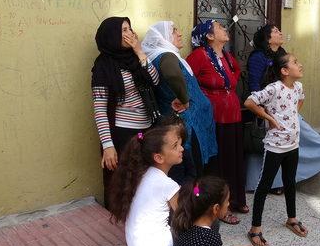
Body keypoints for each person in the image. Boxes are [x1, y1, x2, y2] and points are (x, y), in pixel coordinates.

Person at [245, 25, 320, 193]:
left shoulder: (282, 54)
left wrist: (292, 109)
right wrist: (264, 112)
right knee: (265, 149)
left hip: (284, 105)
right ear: (267, 38)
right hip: (266, 106)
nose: (280, 33)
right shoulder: (258, 57)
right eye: (276, 31)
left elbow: (292, 87)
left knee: (291, 139)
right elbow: (254, 84)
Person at [91, 16, 161, 208]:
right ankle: (118, 226)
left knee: (143, 180)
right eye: (123, 30)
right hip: (122, 134)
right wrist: (107, 145)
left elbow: (155, 81)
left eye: (129, 29)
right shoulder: (103, 66)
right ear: (111, 36)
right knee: (121, 183)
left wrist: (139, 52)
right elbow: (99, 109)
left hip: (145, 131)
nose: (129, 33)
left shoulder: (135, 57)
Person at [141, 21, 218, 185]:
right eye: (174, 31)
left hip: (188, 124)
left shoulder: (164, 55)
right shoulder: (166, 55)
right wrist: (184, 100)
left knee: (192, 172)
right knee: (192, 172)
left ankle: (192, 202)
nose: (179, 34)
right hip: (185, 126)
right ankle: (191, 204)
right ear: (163, 37)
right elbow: (172, 75)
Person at [244, 53, 308, 246]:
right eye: (296, 62)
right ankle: (255, 229)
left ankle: (292, 218)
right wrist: (270, 119)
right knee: (264, 185)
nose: (300, 64)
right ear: (284, 71)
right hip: (275, 145)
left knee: (290, 181)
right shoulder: (274, 88)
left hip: (293, 144)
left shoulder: (298, 87)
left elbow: (300, 100)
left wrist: (292, 116)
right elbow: (249, 102)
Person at [187, 20, 247, 224]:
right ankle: (218, 206)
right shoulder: (198, 56)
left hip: (233, 115)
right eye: (220, 27)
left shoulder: (228, 56)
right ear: (209, 36)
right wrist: (203, 98)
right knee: (218, 163)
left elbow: (236, 74)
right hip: (212, 118)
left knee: (233, 158)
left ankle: (235, 199)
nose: (225, 29)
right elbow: (187, 80)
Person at [108, 118, 184, 246]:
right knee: (206, 222)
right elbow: (186, 219)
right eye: (175, 146)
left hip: (135, 245)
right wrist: (198, 189)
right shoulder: (169, 185)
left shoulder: (143, 174)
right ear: (159, 157)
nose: (181, 148)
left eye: (180, 143)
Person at [171, 176, 258, 246]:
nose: (228, 204)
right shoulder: (209, 236)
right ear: (216, 208)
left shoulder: (185, 224)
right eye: (227, 201)